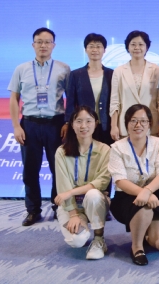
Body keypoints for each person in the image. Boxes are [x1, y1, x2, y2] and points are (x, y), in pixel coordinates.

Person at [8, 27, 71, 226]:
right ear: (33, 44)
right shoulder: (21, 69)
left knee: (58, 169)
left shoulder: (64, 68)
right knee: (30, 170)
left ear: (54, 45)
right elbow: (14, 99)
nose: (43, 45)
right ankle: (33, 210)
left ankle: (58, 207)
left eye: (47, 42)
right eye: (39, 41)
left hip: (55, 124)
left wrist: (68, 123)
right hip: (30, 125)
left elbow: (71, 98)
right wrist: (16, 126)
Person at [108, 105, 159, 265]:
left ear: (149, 123)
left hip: (154, 194)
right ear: (126, 123)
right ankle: (137, 247)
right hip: (126, 197)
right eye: (134, 121)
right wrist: (143, 193)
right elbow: (120, 180)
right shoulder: (117, 148)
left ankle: (144, 231)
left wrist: (148, 191)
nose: (138, 125)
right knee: (144, 207)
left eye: (143, 121)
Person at [53, 106, 111, 259]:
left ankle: (99, 238)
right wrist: (73, 214)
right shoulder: (61, 152)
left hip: (95, 202)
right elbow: (63, 186)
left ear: (95, 123)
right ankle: (83, 226)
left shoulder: (105, 150)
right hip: (70, 206)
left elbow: (102, 182)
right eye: (79, 121)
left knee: (93, 194)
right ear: (72, 124)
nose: (83, 126)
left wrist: (71, 192)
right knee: (76, 241)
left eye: (88, 121)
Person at [110, 31, 159, 140]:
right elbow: (114, 101)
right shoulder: (119, 71)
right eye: (133, 44)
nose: (137, 48)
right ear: (127, 47)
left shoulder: (156, 70)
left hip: (150, 124)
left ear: (147, 47)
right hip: (126, 125)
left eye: (141, 44)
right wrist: (114, 126)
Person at [65, 33, 114, 145]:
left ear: (104, 50)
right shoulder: (76, 74)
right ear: (85, 50)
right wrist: (68, 122)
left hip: (107, 125)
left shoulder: (112, 74)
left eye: (98, 46)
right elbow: (71, 101)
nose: (95, 50)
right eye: (91, 46)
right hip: (84, 126)